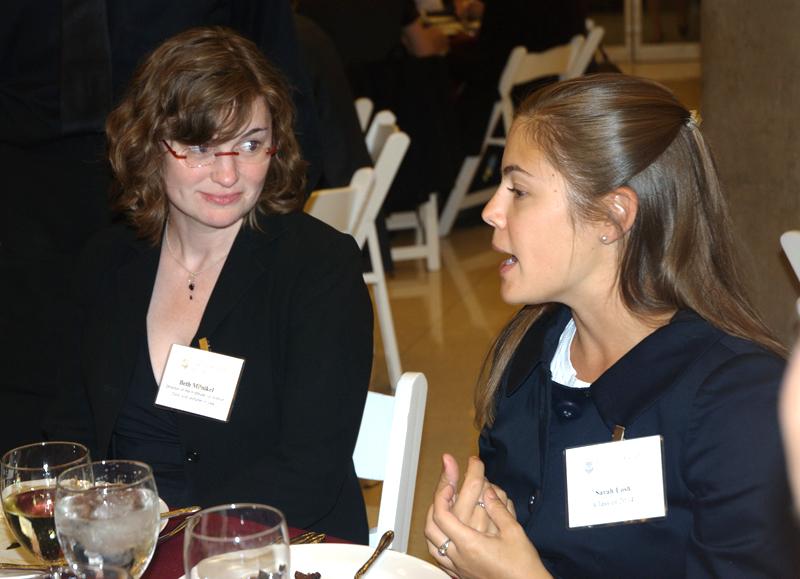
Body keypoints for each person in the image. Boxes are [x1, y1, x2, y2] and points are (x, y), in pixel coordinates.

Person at [425, 74, 798, 577]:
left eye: (518, 190)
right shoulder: (531, 348)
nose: (492, 211)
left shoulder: (738, 401)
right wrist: (475, 541)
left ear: (612, 215)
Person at [44, 26, 373, 544]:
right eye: (200, 147)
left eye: (250, 144)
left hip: (267, 545)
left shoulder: (318, 267)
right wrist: (91, 527)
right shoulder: (106, 261)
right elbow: (70, 427)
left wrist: (183, 540)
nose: (228, 175)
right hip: (121, 547)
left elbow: (310, 467)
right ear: (149, 145)